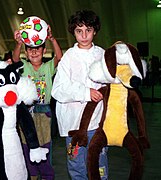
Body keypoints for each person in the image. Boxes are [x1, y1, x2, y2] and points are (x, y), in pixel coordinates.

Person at [51, 10, 108, 180]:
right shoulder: (68, 57)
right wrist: (85, 92)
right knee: (76, 167)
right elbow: (58, 89)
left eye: (88, 30)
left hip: (98, 124)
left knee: (99, 166)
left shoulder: (103, 55)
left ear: (95, 31)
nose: (84, 35)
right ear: (73, 31)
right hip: (74, 126)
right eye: (79, 31)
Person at [13, 24, 63, 180]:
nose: (34, 51)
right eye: (30, 49)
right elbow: (15, 59)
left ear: (43, 51)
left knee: (44, 147)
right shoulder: (24, 67)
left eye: (38, 49)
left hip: (44, 114)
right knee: (27, 147)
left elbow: (60, 58)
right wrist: (19, 43)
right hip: (26, 113)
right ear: (26, 53)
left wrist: (52, 38)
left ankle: (47, 175)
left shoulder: (48, 68)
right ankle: (32, 175)